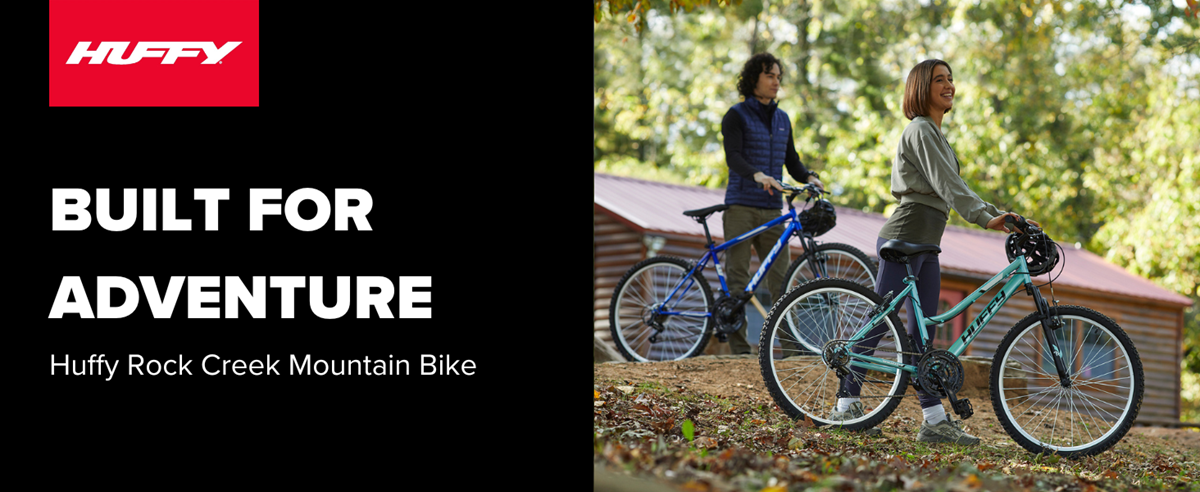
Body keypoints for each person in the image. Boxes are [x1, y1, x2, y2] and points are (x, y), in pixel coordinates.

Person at [830, 59, 1038, 443]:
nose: (949, 85)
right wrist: (983, 217)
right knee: (883, 321)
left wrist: (998, 215)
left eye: (951, 79)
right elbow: (947, 185)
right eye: (939, 79)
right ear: (921, 88)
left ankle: (934, 420)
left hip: (926, 241)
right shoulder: (922, 129)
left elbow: (955, 184)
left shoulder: (936, 135)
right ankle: (845, 406)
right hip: (906, 232)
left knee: (921, 336)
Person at [720, 52, 825, 355]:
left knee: (782, 280)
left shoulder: (783, 119)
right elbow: (734, 157)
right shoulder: (736, 115)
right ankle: (739, 351)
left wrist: (809, 177)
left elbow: (791, 160)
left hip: (772, 212)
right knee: (738, 278)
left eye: (778, 76)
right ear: (754, 80)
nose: (776, 81)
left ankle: (792, 350)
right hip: (740, 205)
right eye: (770, 75)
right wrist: (758, 175)